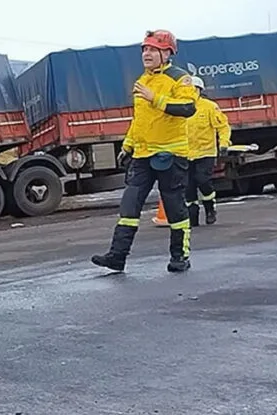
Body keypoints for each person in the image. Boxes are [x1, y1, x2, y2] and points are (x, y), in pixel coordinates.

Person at [91, 29, 199, 273]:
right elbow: (140, 120)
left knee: (174, 207)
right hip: (142, 155)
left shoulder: (180, 78)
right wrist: (128, 145)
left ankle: (180, 257)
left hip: (170, 156)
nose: (146, 53)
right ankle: (117, 257)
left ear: (167, 53)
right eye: (144, 49)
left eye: (152, 49)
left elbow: (187, 107)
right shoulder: (143, 80)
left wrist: (156, 98)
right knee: (129, 205)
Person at [185, 76, 231, 226]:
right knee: (188, 187)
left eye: (192, 89)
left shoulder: (209, 107)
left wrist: (223, 144)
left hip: (205, 152)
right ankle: (192, 216)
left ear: (199, 90)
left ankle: (210, 208)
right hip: (184, 154)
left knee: (202, 180)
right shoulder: (180, 108)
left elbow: (223, 126)